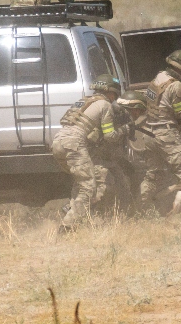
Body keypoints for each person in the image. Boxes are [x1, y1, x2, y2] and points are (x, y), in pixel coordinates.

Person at [51, 74, 127, 229]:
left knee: (81, 183)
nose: (114, 98)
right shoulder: (105, 105)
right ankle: (67, 226)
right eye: (114, 94)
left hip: (58, 141)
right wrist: (125, 128)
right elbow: (110, 136)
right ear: (110, 92)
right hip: (74, 143)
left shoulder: (84, 101)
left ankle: (74, 210)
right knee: (88, 186)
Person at [138, 50, 181, 209]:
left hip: (149, 133)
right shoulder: (176, 85)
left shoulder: (158, 77)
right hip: (166, 135)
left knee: (153, 174)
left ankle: (143, 209)